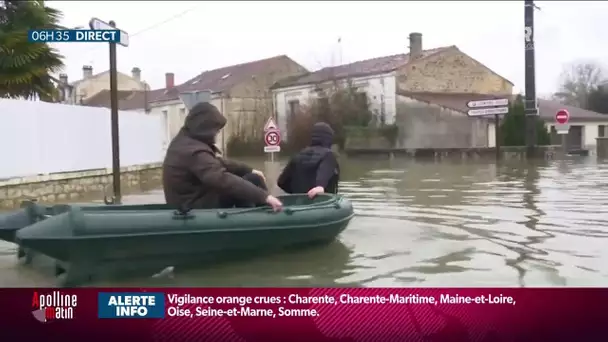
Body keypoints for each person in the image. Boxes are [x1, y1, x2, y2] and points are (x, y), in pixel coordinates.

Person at [162, 102, 283, 211]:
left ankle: (257, 213)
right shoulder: (193, 151)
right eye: (216, 130)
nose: (217, 134)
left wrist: (248, 169)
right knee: (252, 180)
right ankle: (261, 219)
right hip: (194, 208)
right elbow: (221, 178)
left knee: (251, 177)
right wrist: (264, 196)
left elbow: (217, 162)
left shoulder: (184, 142)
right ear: (206, 128)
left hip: (191, 202)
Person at [277, 122, 340, 198]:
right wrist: (320, 186)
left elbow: (281, 182)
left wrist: (297, 194)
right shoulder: (329, 155)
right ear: (329, 138)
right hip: (321, 204)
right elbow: (324, 170)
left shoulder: (298, 155)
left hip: (299, 204)